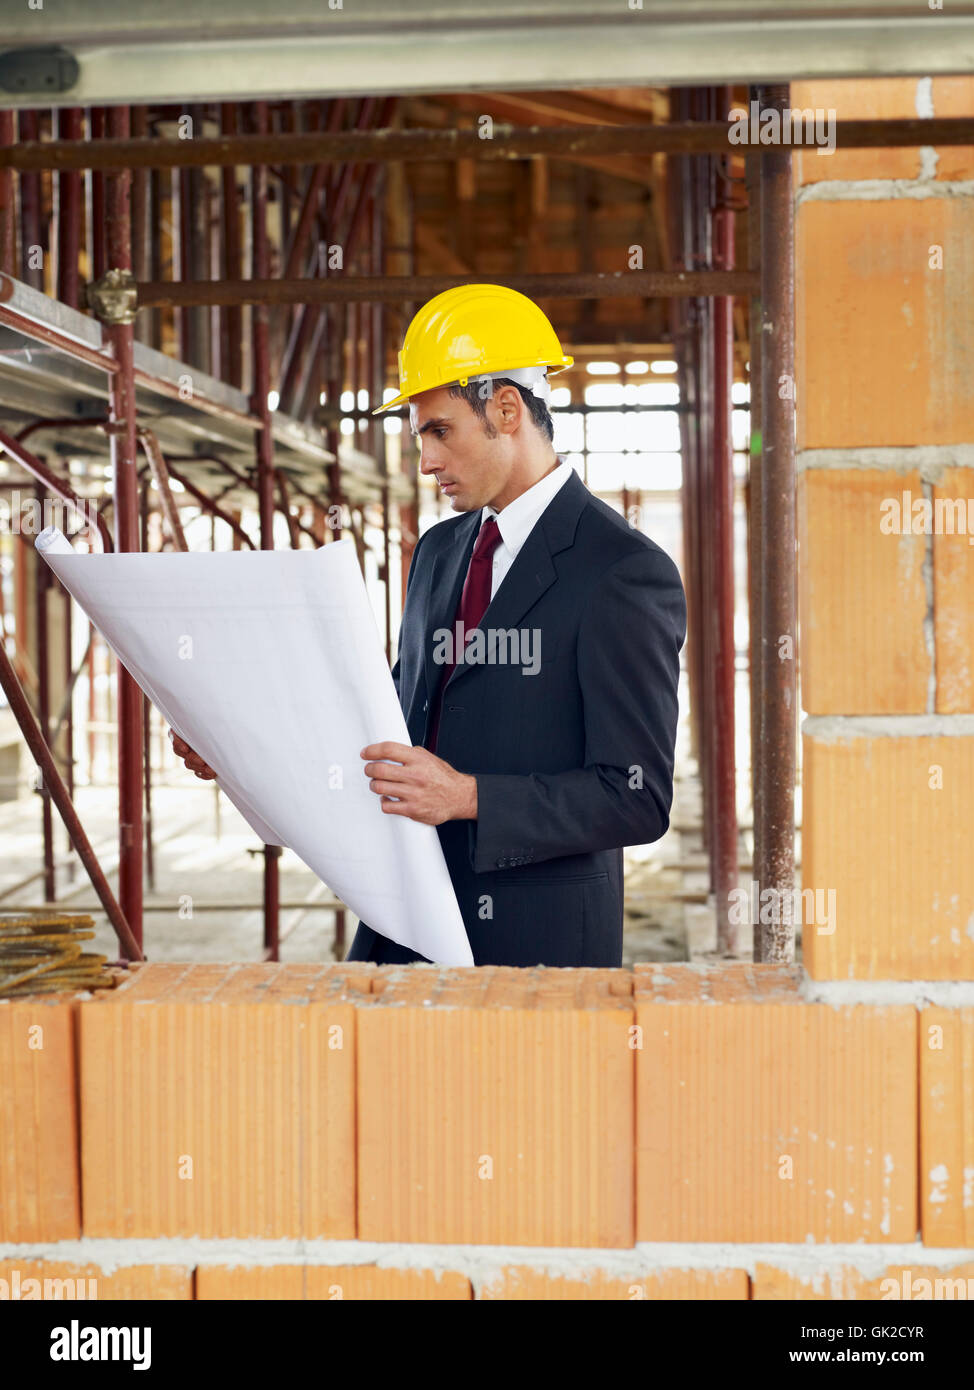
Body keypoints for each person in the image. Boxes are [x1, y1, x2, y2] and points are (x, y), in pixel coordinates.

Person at [173, 284, 687, 967]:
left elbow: (636, 798)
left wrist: (468, 798)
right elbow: (388, 718)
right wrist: (245, 747)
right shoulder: (443, 552)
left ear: (506, 409)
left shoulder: (619, 571)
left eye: (439, 431)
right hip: (404, 912)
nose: (426, 462)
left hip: (536, 940)